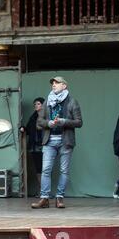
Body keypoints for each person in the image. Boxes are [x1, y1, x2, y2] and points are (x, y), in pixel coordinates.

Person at [32, 76, 82, 209]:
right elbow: (39, 122)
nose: (54, 84)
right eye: (52, 83)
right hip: (49, 142)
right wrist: (49, 123)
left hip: (65, 141)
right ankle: (44, 199)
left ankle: (60, 198)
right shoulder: (47, 100)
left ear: (64, 86)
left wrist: (64, 121)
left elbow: (79, 122)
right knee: (46, 170)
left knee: (64, 171)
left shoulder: (72, 101)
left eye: (57, 82)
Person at [20, 97, 45, 197]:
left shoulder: (46, 116)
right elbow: (29, 130)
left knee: (45, 169)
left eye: (38, 104)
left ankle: (44, 191)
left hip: (44, 146)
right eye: (35, 104)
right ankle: (41, 190)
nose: (36, 105)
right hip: (34, 147)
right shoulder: (33, 117)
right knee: (38, 169)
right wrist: (23, 128)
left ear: (43, 105)